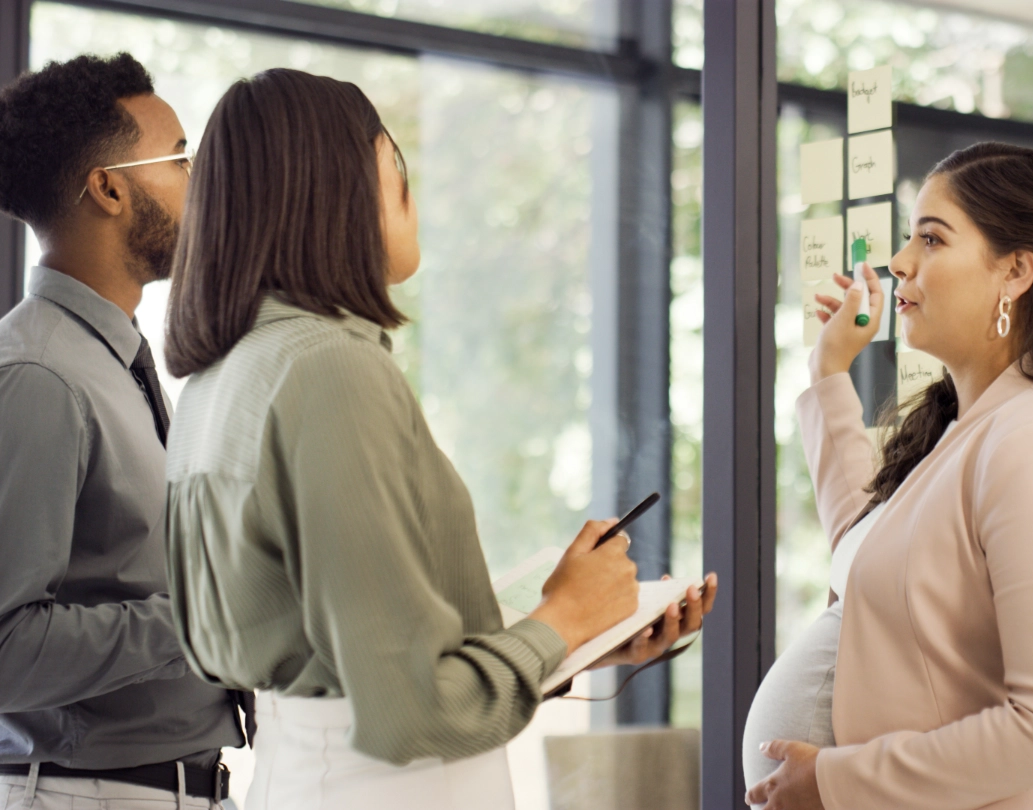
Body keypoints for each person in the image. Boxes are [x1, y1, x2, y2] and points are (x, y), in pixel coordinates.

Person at [161, 67, 717, 810]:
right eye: (397, 164)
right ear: (341, 186)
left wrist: (570, 638)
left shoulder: (217, 382)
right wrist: (565, 618)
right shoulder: (331, 371)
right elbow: (408, 711)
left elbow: (346, 669)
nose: (408, 190)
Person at [746, 142, 1033, 810]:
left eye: (931, 238)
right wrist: (829, 374)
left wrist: (837, 781)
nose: (898, 262)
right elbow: (866, 559)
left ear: (1015, 271)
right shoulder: (970, 431)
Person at [0, 54, 247, 810]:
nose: (200, 178)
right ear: (109, 188)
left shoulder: (116, 361)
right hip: (93, 795)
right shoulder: (40, 376)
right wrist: (207, 615)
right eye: (178, 157)